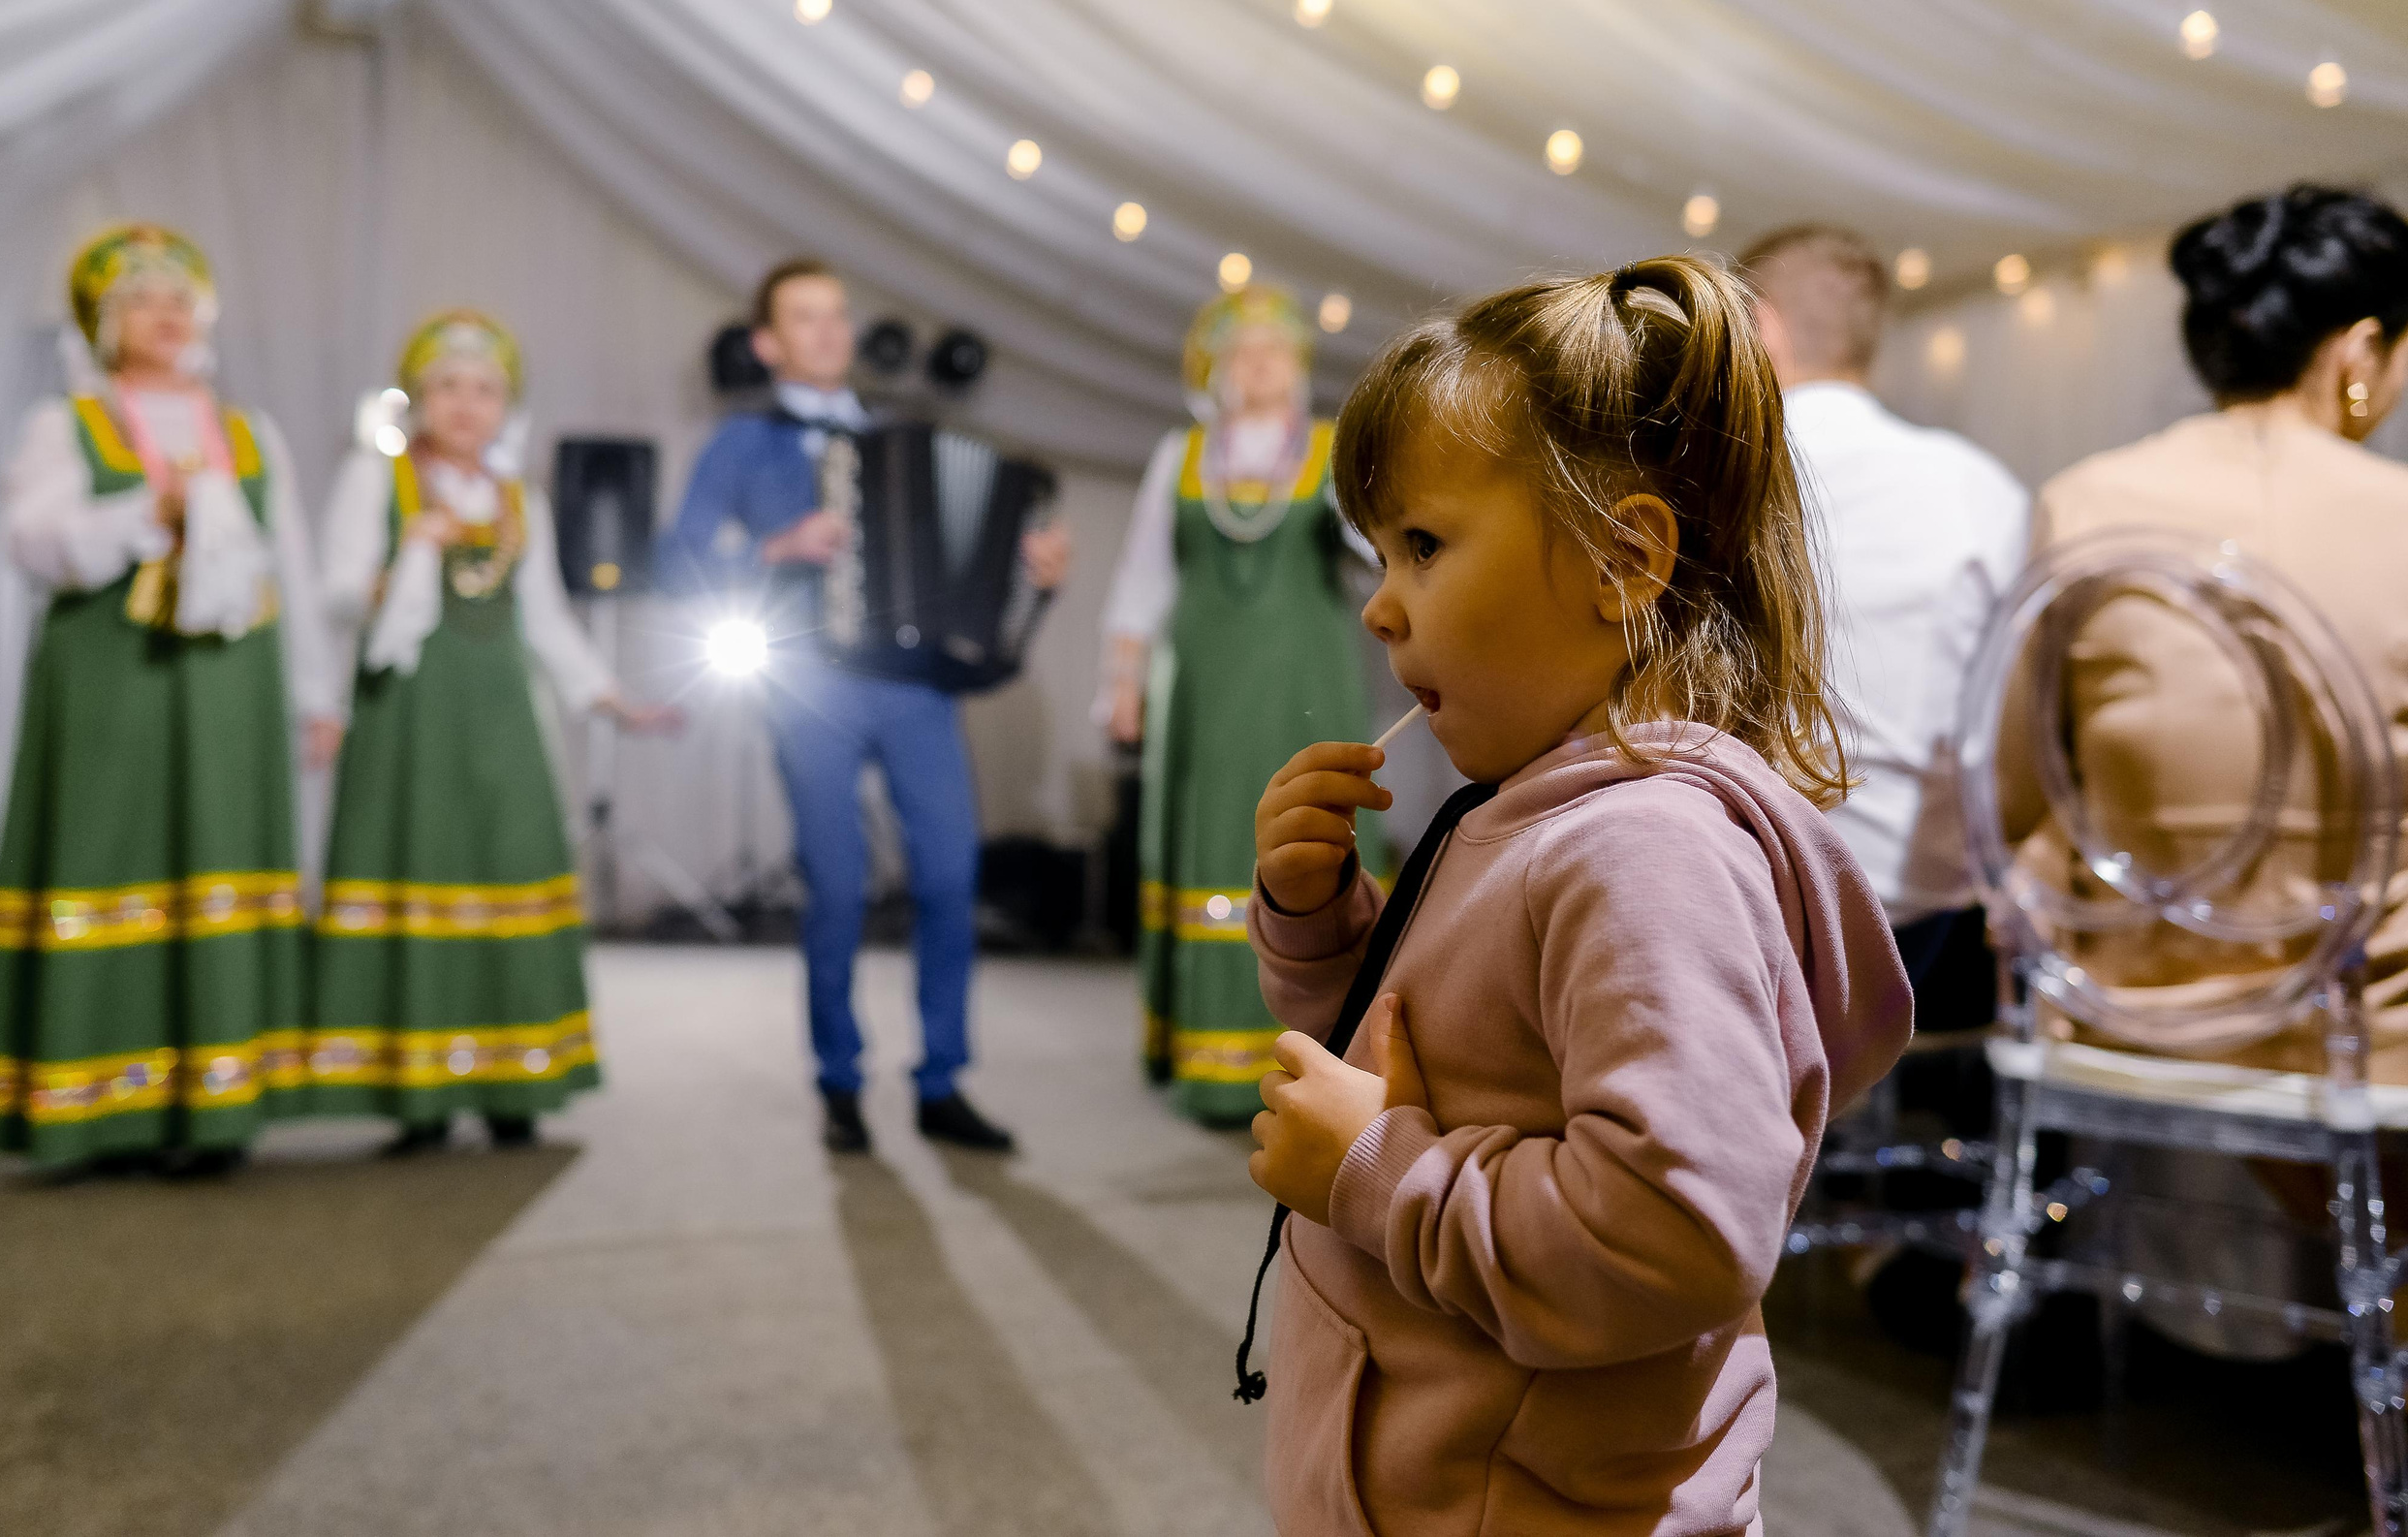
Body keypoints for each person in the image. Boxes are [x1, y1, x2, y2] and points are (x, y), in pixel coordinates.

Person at [1241, 260, 1911, 1534]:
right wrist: (1321, 921)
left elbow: (1670, 1234)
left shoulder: (1640, 852)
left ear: (1624, 558)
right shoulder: (1528, 808)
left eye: (1425, 544)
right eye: (1380, 553)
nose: (1380, 605)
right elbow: (1427, 1051)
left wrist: (1376, 1168)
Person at [0, 224, 342, 1176]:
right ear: (104, 323)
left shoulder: (250, 434)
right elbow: (33, 543)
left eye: (180, 300)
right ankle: (90, 1107)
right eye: (143, 301)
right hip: (110, 676)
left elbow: (285, 558)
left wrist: (315, 696)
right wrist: (142, 515)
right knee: (108, 862)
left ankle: (214, 1107)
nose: (165, 317)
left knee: (216, 862)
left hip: (230, 681)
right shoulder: (66, 425)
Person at [659, 259, 1070, 1155]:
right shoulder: (740, 446)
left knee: (950, 877)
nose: (828, 332)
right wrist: (777, 546)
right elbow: (676, 558)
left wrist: (1030, 569)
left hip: (914, 685)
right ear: (767, 342)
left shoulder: (902, 436)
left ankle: (941, 1080)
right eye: (805, 318)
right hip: (807, 682)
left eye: (837, 316)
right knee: (837, 886)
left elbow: (973, 560)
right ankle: (840, 1081)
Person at [2010, 184, 2408, 1082]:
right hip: (2370, 1049)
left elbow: (2015, 795)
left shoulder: (2084, 501)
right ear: (2361, 348)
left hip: (2133, 1028)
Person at [312, 311, 680, 1152]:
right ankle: (420, 1093)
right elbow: (332, 594)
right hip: (408, 713)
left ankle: (516, 1080)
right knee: (419, 875)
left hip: (501, 717)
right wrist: (407, 550)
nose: (465, 404)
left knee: (507, 875)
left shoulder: (523, 500)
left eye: (484, 390)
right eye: (447, 386)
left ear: (506, 405)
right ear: (418, 400)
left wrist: (613, 698)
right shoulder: (379, 481)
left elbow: (546, 619)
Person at [1097, 285, 1390, 1124]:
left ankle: (1332, 1060)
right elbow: (1144, 574)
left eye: (1276, 349)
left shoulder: (1331, 448)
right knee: (1214, 835)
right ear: (1215, 367)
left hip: (1304, 681)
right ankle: (1209, 1058)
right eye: (1243, 350)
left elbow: (1378, 548)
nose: (1259, 364)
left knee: (1314, 835)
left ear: (1298, 365)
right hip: (1206, 685)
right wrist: (1121, 680)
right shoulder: (1181, 456)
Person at [1742, 225, 2029, 991]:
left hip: (1750, 911)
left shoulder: (1717, 478)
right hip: (1939, 938)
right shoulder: (1985, 491)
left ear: (1761, 327)